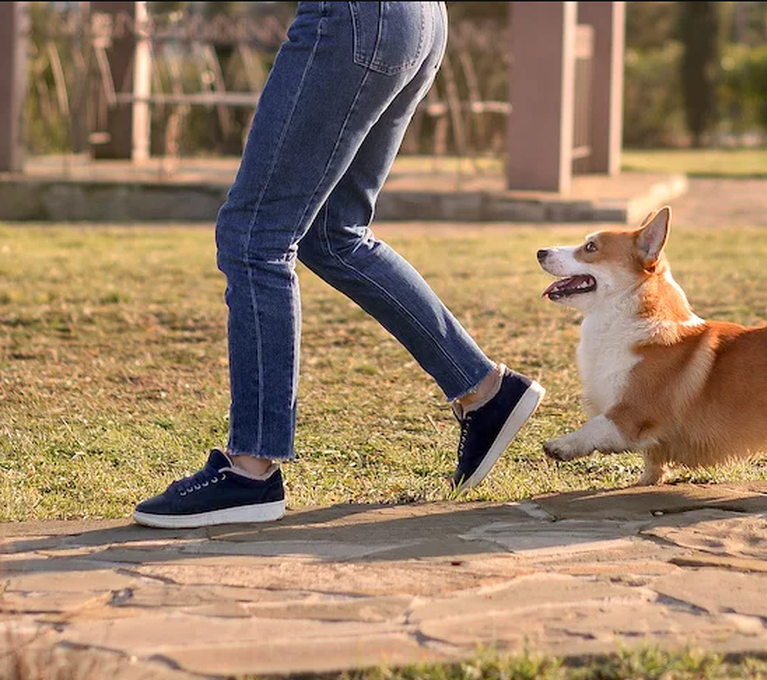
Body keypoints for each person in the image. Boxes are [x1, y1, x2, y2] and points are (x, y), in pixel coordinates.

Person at [133, 1, 545, 529]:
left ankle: (249, 471)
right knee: (334, 234)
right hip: (417, 20)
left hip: (356, 18)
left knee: (255, 235)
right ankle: (484, 389)